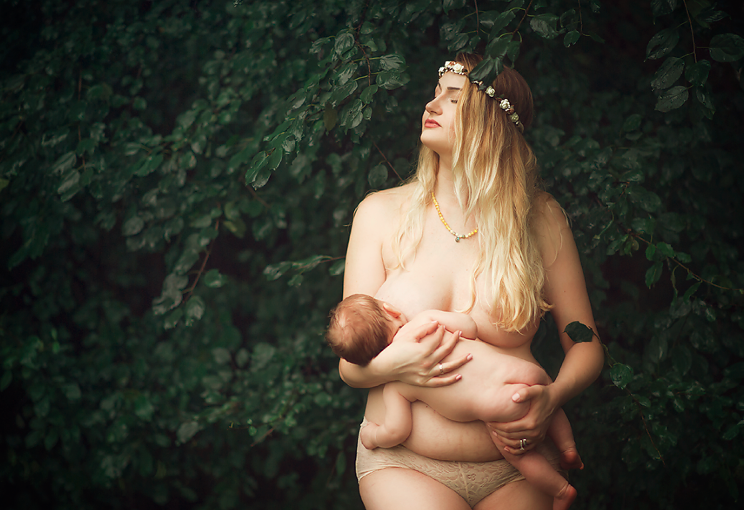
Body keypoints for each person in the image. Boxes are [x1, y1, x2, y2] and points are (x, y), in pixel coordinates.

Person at [339, 53, 604, 510]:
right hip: (405, 464)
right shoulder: (379, 214)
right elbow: (350, 365)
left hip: (519, 465)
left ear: (493, 121)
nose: (431, 105)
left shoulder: (541, 219)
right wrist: (398, 366)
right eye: (435, 93)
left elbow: (586, 344)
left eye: (453, 97)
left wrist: (551, 399)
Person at [326, 294, 582, 510]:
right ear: (390, 310)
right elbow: (468, 327)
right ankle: (568, 447)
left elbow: (397, 431)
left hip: (501, 406)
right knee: (546, 399)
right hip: (521, 371)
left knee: (519, 456)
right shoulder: (425, 321)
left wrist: (373, 436)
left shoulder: (396, 385)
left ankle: (560, 491)